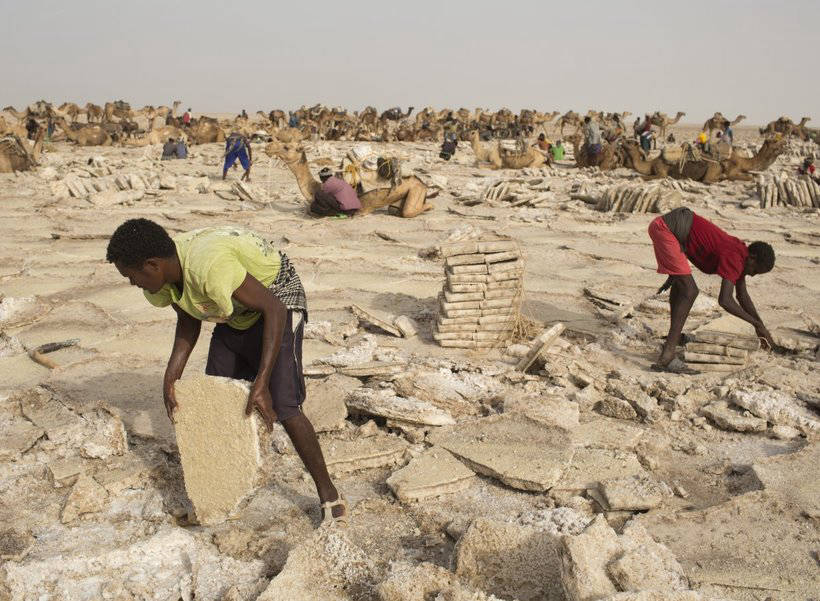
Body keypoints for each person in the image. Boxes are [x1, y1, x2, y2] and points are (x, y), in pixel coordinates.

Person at [106, 219, 347, 525]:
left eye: (131, 276)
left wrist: (261, 381)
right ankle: (218, 499)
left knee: (284, 404)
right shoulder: (164, 280)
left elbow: (273, 309)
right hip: (236, 310)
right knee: (216, 403)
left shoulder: (209, 266)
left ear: (152, 265)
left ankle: (329, 495)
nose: (132, 283)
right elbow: (189, 318)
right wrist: (171, 377)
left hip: (277, 298)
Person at [648, 207, 777, 371]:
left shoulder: (740, 253)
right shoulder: (736, 257)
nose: (752, 275)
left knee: (683, 286)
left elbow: (742, 295)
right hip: (666, 229)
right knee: (690, 291)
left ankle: (669, 345)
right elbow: (725, 300)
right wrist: (754, 323)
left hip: (671, 228)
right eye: (755, 271)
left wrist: (761, 326)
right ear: (752, 258)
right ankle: (667, 355)